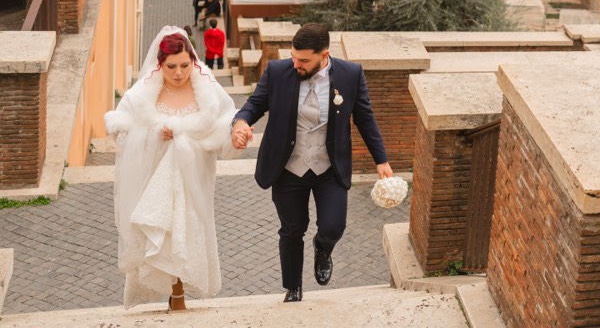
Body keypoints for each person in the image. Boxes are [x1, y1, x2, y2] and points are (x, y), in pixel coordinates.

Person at [231, 23, 393, 303]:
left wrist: (381, 160)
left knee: (333, 226)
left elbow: (365, 119)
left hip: (328, 167)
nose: (296, 64)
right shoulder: (277, 71)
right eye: (294, 57)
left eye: (304, 60)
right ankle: (293, 288)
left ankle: (323, 246)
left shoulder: (351, 74)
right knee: (292, 229)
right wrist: (240, 123)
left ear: (324, 55)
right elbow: (254, 104)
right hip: (288, 167)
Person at [105, 27, 237, 311]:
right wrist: (154, 134)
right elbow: (120, 128)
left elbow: (226, 123)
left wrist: (237, 134)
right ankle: (175, 294)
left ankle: (181, 289)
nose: (178, 73)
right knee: (161, 232)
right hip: (155, 177)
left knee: (187, 230)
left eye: (185, 66)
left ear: (193, 61)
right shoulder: (142, 94)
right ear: (160, 64)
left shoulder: (208, 90)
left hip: (194, 178)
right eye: (171, 67)